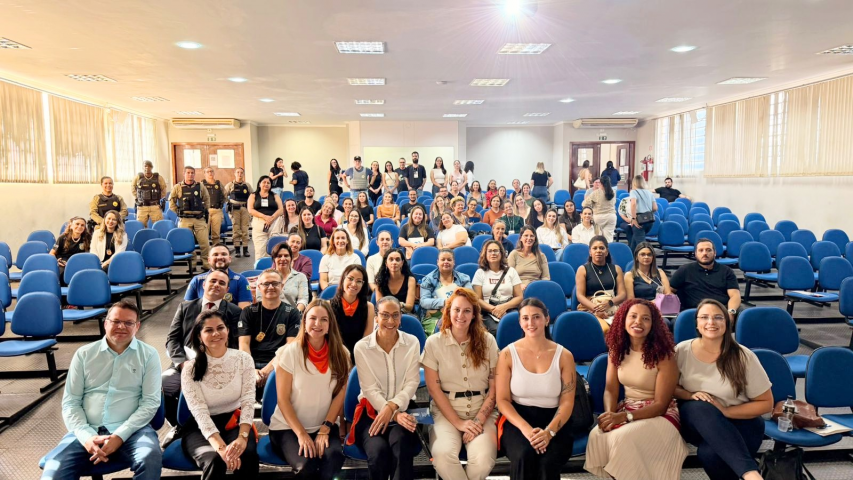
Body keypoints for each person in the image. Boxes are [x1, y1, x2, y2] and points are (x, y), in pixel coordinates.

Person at [41, 300, 161, 480]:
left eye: (128, 323)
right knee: (54, 469)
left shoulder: (149, 355)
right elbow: (71, 402)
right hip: (87, 429)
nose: (121, 326)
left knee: (149, 458)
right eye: (116, 321)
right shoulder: (84, 354)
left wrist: (120, 436)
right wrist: (86, 437)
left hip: (132, 430)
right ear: (106, 323)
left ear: (137, 326)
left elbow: (150, 402)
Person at [584, 299, 687, 480]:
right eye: (633, 316)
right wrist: (610, 415)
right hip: (628, 407)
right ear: (623, 320)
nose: (638, 322)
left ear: (653, 325)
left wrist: (624, 417)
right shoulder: (616, 350)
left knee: (622, 438)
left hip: (661, 415)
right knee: (597, 434)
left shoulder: (664, 355)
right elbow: (610, 390)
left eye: (645, 318)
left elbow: (661, 405)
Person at [674, 299, 773, 480]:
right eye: (704, 317)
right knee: (699, 405)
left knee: (710, 454)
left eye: (718, 317)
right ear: (696, 323)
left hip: (742, 420)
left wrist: (726, 411)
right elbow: (670, 387)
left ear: (727, 322)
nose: (711, 322)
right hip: (698, 422)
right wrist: (689, 394)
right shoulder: (681, 350)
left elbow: (766, 403)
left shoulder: (743, 356)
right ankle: (751, 474)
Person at [495, 298, 576, 480]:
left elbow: (567, 402)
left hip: (555, 419)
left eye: (536, 317)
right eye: (525, 318)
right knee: (524, 454)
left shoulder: (564, 356)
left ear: (546, 319)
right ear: (520, 322)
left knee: (547, 461)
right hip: (518, 419)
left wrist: (549, 432)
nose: (530, 323)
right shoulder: (507, 354)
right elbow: (502, 400)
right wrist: (526, 430)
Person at [423, 288, 499, 480]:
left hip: (482, 410)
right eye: (456, 310)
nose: (461, 315)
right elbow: (433, 389)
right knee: (442, 456)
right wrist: (459, 423)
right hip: (446, 412)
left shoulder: (488, 341)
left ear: (474, 314)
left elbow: (494, 389)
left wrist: (477, 421)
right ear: (448, 311)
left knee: (483, 460)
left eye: (467, 311)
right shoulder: (433, 343)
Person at [270, 300, 349, 479]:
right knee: (306, 465)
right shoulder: (289, 352)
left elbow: (340, 395)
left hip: (324, 425)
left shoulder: (341, 353)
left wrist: (325, 428)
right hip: (287, 428)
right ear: (304, 322)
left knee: (334, 458)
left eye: (324, 319)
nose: (317, 324)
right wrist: (302, 434)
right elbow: (282, 400)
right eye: (312, 318)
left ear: (330, 325)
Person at [348, 297, 421, 480]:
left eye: (395, 315)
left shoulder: (412, 342)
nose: (390, 321)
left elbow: (412, 382)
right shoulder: (362, 347)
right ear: (376, 318)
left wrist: (393, 408)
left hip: (404, 408)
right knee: (378, 452)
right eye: (385, 315)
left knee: (401, 447)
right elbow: (369, 389)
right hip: (371, 411)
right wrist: (392, 413)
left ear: (401, 317)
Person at [163, 270, 244, 433]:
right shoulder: (185, 307)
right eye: (213, 281)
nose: (216, 285)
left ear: (227, 290)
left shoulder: (235, 312)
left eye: (222, 283)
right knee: (161, 386)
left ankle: (214, 425)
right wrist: (183, 364)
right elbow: (172, 340)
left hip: (218, 367)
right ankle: (180, 426)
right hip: (184, 365)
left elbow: (235, 344)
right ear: (204, 284)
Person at [238, 269, 301, 389]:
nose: (270, 287)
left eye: (275, 283)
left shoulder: (292, 313)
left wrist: (268, 370)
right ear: (259, 287)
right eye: (266, 284)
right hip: (251, 363)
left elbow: (289, 346)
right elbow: (244, 344)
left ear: (282, 286)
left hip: (280, 364)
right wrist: (251, 369)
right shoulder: (248, 312)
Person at [669, 239, 742, 313]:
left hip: (721, 311)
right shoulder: (685, 270)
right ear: (695, 254)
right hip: (694, 313)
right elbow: (669, 290)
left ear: (715, 253)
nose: (705, 253)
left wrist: (731, 312)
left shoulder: (726, 271)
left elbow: (735, 295)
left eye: (708, 250)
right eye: (701, 250)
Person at [576, 236, 627, 333]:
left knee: (626, 327)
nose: (598, 251)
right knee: (605, 329)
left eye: (602, 248)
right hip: (590, 308)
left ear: (606, 252)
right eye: (595, 248)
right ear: (590, 252)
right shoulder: (582, 269)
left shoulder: (616, 269)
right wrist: (596, 310)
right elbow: (580, 296)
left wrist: (610, 303)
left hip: (612, 307)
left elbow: (622, 294)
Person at [472, 240, 523, 335]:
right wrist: (494, 310)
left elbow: (519, 297)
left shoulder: (511, 271)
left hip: (509, 309)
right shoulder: (480, 273)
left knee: (519, 327)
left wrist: (504, 307)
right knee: (497, 330)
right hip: (488, 311)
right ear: (485, 254)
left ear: (501, 253)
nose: (493, 253)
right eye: (490, 251)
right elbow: (478, 300)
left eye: (496, 251)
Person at [419, 249, 473, 335]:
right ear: (438, 262)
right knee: (444, 325)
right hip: (435, 317)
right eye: (443, 259)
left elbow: (471, 298)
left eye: (449, 259)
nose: (446, 262)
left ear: (454, 262)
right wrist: (445, 302)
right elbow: (424, 301)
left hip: (460, 314)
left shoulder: (463, 279)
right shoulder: (428, 279)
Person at [330, 264, 376, 359]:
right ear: (343, 279)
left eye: (359, 281)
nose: (354, 284)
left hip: (359, 355)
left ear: (363, 285)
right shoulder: (328, 306)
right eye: (350, 279)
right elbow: (329, 337)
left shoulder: (369, 307)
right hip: (335, 354)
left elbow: (366, 339)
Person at [184, 245, 253, 308]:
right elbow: (187, 309)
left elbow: (243, 311)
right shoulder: (197, 280)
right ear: (209, 260)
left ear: (229, 259)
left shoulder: (241, 280)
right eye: (215, 254)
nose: (220, 257)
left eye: (224, 254)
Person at [171, 166, 212, 269]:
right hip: (185, 220)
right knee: (188, 243)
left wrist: (204, 210)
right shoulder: (178, 187)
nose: (190, 175)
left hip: (199, 219)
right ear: (184, 174)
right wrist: (178, 212)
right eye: (188, 173)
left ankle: (206, 264)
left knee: (204, 243)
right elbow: (171, 201)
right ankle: (192, 265)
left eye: (192, 173)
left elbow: (207, 199)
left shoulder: (200, 186)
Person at [246, 175, 285, 261]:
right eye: (264, 182)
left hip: (274, 223)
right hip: (259, 223)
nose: (266, 184)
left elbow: (281, 209)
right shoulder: (253, 195)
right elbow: (250, 210)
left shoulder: (275, 195)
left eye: (268, 183)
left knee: (275, 249)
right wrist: (264, 217)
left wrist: (272, 218)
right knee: (260, 250)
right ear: (259, 184)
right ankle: (261, 268)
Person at [508, 225, 551, 289]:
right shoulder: (514, 254)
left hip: (536, 288)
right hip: (518, 288)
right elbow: (508, 276)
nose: (529, 238)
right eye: (526, 235)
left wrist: (540, 286)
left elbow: (546, 277)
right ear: (521, 238)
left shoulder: (541, 256)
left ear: (535, 239)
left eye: (532, 236)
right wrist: (519, 285)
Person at [375, 249, 417, 314]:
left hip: (405, 313)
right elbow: (379, 303)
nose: (394, 262)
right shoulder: (379, 280)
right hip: (385, 312)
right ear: (386, 263)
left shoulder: (410, 280)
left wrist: (400, 305)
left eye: (397, 259)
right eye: (391, 259)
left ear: (402, 263)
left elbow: (409, 307)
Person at [51, 216, 91, 282]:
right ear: (71, 226)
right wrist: (57, 261)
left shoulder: (88, 237)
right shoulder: (62, 237)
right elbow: (52, 253)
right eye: (77, 224)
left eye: (82, 225)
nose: (80, 226)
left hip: (80, 262)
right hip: (64, 263)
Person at [272, 243, 309, 312]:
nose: (283, 259)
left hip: (293, 314)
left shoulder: (301, 277)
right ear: (274, 259)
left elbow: (303, 300)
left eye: (286, 256)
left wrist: (295, 314)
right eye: (279, 256)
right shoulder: (265, 278)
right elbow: (260, 299)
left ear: (291, 258)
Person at [224, 167, 253, 258]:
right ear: (235, 173)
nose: (239, 174)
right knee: (236, 229)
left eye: (241, 172)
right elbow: (224, 195)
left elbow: (252, 196)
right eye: (238, 172)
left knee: (245, 229)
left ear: (243, 174)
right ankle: (237, 249)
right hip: (234, 209)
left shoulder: (247, 185)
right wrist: (229, 204)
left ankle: (245, 249)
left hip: (245, 209)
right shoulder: (230, 185)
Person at [624, 175, 658, 252]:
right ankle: (631, 257)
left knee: (642, 245)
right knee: (634, 241)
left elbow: (633, 204)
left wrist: (633, 218)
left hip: (639, 220)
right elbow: (655, 208)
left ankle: (648, 256)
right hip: (649, 220)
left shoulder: (633, 191)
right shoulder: (649, 192)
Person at [131, 160, 167, 226]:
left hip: (155, 206)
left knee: (159, 225)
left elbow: (164, 190)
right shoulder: (138, 177)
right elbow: (133, 189)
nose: (147, 168)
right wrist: (139, 197)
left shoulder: (158, 178)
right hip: (142, 207)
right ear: (143, 167)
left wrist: (158, 197)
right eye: (145, 166)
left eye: (149, 166)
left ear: (152, 167)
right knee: (140, 226)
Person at [583, 176, 617, 242]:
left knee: (597, 237)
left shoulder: (596, 193)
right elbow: (614, 202)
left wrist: (592, 205)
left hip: (598, 217)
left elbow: (584, 204)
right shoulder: (613, 192)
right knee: (609, 238)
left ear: (600, 183)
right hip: (611, 216)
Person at [201, 167, 226, 247]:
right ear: (204, 174)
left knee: (216, 234)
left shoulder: (219, 184)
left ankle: (216, 249)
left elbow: (225, 195)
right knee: (205, 233)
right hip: (206, 211)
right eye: (208, 172)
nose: (210, 173)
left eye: (211, 171)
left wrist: (221, 204)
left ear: (214, 173)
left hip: (217, 211)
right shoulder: (201, 184)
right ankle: (206, 251)